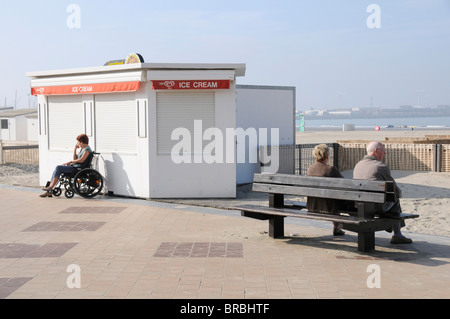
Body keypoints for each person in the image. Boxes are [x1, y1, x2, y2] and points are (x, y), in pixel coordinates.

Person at [353, 141, 412, 244]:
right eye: (383, 151)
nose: (385, 153)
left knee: (390, 199)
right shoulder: (380, 167)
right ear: (376, 151)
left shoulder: (358, 165)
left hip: (358, 206)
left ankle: (393, 229)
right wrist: (399, 194)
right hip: (376, 207)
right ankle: (397, 234)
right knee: (395, 200)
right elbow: (395, 190)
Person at [307, 144, 355, 236]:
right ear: (327, 155)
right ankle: (341, 226)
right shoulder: (331, 169)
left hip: (313, 204)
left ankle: (337, 227)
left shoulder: (310, 169)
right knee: (351, 203)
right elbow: (344, 184)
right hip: (329, 206)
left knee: (332, 199)